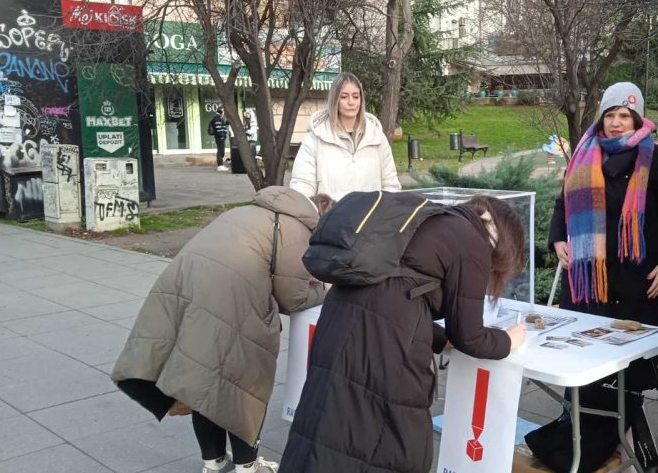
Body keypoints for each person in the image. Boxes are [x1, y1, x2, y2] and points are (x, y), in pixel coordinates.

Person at [279, 195, 529, 473]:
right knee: (390, 436)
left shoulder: (434, 221)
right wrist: (508, 339)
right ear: (506, 243)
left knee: (327, 418)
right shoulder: (472, 241)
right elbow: (469, 337)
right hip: (384, 346)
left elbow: (397, 289)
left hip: (339, 319)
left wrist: (439, 338)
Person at [111, 187, 334, 473]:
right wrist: (327, 289)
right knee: (243, 386)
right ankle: (247, 467)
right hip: (231, 302)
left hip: (187, 292)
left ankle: (214, 463)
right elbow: (295, 297)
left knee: (205, 382)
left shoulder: (248, 211)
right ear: (321, 218)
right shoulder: (296, 230)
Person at [541, 82, 658, 468]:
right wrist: (558, 239)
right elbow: (562, 203)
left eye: (624, 115)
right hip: (588, 281)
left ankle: (620, 440)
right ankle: (579, 436)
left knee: (627, 371)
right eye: (610, 115)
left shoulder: (656, 159)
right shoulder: (582, 156)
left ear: (637, 118)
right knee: (584, 362)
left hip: (636, 281)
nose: (616, 122)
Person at [289, 72, 400, 201]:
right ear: (335, 99)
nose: (351, 102)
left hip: (370, 219)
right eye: (344, 96)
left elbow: (391, 186)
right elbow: (302, 186)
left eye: (356, 96)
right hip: (330, 219)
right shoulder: (316, 138)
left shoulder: (377, 138)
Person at [207, 107, 230, 172]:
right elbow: (218, 128)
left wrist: (226, 123)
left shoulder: (219, 118)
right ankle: (220, 166)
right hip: (220, 137)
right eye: (223, 111)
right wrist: (222, 136)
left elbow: (221, 125)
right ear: (220, 111)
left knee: (221, 151)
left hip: (220, 137)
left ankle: (220, 165)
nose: (224, 112)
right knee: (220, 151)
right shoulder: (217, 118)